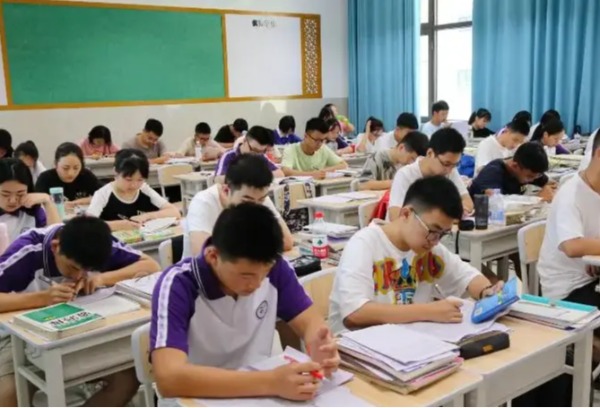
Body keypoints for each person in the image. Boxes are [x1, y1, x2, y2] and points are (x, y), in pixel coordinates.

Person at [151, 203, 339, 401]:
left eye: (264, 273)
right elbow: (169, 378)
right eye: (246, 275)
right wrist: (271, 382)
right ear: (213, 256)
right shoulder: (177, 285)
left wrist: (320, 345)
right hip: (196, 397)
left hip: (259, 392)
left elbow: (310, 322)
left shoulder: (277, 268)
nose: (257, 284)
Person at [0, 216, 159, 406]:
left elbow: (151, 265)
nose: (78, 276)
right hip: (23, 336)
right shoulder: (29, 249)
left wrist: (101, 278)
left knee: (128, 379)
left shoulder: (97, 242)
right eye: (72, 268)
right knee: (9, 394)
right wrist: (42, 299)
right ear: (55, 247)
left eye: (86, 271)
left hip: (85, 330)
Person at [328, 176, 502, 335]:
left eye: (443, 234)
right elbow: (355, 313)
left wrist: (486, 292)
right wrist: (429, 311)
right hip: (360, 345)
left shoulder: (427, 247)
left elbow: (466, 276)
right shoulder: (364, 244)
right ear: (406, 214)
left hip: (407, 339)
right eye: (432, 231)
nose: (435, 240)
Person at [184, 154, 293, 258]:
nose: (255, 208)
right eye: (247, 201)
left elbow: (286, 241)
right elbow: (206, 256)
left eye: (261, 200)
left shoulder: (258, 197)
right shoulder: (203, 202)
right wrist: (231, 215)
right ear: (226, 190)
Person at [538, 133, 600, 304]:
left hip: (592, 276)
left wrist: (593, 251)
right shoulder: (571, 194)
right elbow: (572, 246)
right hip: (569, 289)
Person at [388, 128, 473, 221]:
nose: (449, 170)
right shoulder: (406, 175)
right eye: (446, 164)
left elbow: (468, 202)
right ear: (430, 153)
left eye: (455, 165)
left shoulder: (451, 170)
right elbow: (395, 216)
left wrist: (462, 210)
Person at [87, 149, 180, 231]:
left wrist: (147, 216)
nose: (134, 185)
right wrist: (119, 225)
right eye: (128, 179)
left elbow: (174, 212)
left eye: (140, 180)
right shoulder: (103, 194)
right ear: (115, 172)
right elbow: (88, 224)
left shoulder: (144, 189)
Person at [469, 142, 555, 202]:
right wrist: (537, 199)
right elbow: (495, 202)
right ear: (514, 166)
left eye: (536, 176)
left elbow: (551, 184)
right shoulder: (493, 172)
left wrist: (548, 189)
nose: (533, 180)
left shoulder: (529, 170)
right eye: (529, 176)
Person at [0, 158, 60, 244]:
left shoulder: (33, 211)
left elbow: (55, 238)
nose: (13, 200)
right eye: (5, 194)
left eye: (20, 194)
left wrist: (47, 201)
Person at [358, 131, 429, 191]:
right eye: (412, 158)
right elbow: (363, 184)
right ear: (401, 148)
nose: (411, 163)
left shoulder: (406, 165)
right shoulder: (377, 157)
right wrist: (396, 182)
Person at [35, 142, 101, 207]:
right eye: (65, 168)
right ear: (55, 164)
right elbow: (36, 202)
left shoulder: (86, 175)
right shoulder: (45, 178)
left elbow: (103, 195)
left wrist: (76, 203)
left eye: (76, 168)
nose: (71, 173)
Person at [281, 118, 348, 179]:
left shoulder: (323, 149)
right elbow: (286, 171)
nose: (319, 144)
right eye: (316, 140)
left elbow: (343, 165)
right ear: (306, 136)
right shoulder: (291, 149)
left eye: (322, 140)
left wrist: (322, 172)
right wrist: (312, 174)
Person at [215, 126, 284, 179]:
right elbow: (218, 179)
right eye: (253, 149)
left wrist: (259, 175)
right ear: (245, 140)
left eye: (261, 151)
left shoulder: (260, 155)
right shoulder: (229, 155)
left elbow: (280, 173)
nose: (255, 154)